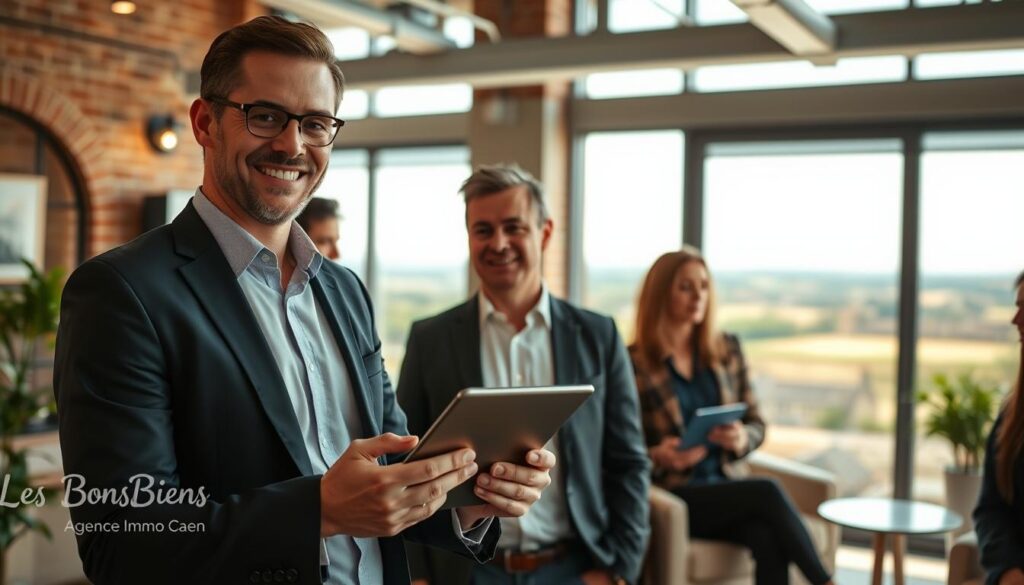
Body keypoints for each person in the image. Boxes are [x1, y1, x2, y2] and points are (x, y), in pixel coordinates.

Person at [53, 17, 556, 585]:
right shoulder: (121, 293)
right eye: (264, 116)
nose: (291, 145)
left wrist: (468, 501)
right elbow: (121, 542)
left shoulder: (345, 291)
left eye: (315, 124)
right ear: (205, 123)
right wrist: (318, 510)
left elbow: (388, 475)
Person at [396, 164, 651, 585]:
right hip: (466, 572)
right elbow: (407, 463)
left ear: (545, 233)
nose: (498, 243)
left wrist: (618, 570)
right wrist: (417, 574)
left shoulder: (597, 335)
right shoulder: (431, 339)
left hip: (574, 569)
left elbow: (628, 463)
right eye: (483, 230)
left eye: (513, 227)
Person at [630, 247, 834, 585]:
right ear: (660, 293)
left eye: (704, 286)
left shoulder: (726, 350)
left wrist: (742, 438)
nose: (698, 296)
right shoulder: (634, 364)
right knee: (766, 490)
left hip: (727, 487)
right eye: (685, 287)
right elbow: (620, 451)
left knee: (766, 536)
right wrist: (661, 456)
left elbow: (757, 424)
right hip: (677, 495)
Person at [974, 270, 1024, 585]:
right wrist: (1009, 570)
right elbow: (990, 509)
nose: (1015, 319)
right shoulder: (1013, 413)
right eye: (1017, 305)